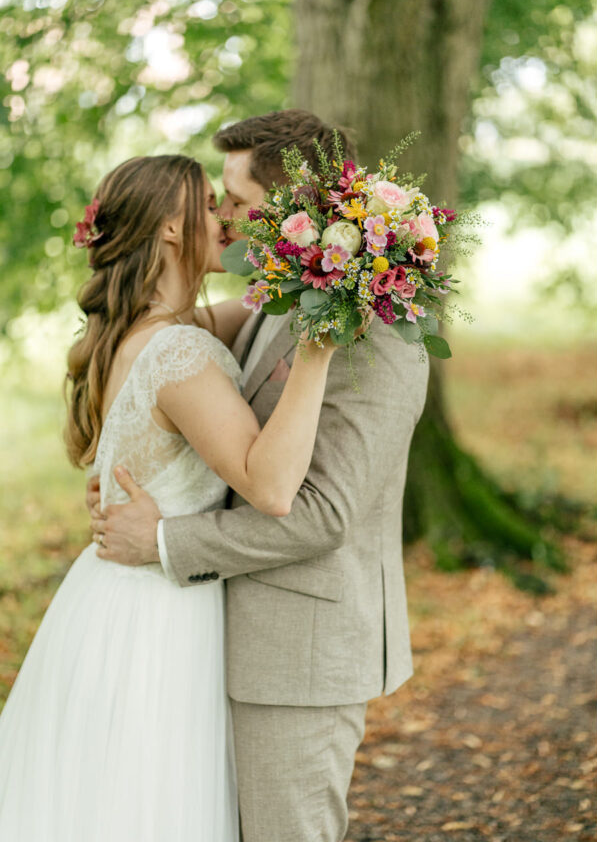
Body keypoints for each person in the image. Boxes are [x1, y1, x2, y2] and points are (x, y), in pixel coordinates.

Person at [88, 110, 430, 842]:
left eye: (239, 203)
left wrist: (167, 539)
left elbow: (321, 515)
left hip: (301, 654)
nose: (229, 219)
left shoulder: (380, 338)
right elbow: (168, 336)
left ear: (295, 204)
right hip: (226, 635)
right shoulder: (283, 296)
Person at [0, 154, 340, 838]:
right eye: (209, 204)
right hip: (159, 614)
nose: (225, 218)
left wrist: (323, 271)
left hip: (105, 601)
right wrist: (318, 350)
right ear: (170, 229)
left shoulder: (129, 335)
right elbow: (271, 487)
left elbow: (246, 311)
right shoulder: (179, 356)